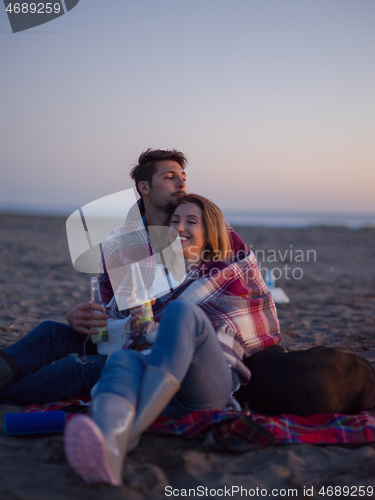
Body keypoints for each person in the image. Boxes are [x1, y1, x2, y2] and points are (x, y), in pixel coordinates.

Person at [64, 194, 282, 487]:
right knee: (123, 358)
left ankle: (131, 430)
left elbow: (247, 322)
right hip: (158, 384)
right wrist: (142, 326)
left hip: (204, 388)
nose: (179, 228)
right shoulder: (157, 274)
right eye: (174, 221)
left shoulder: (232, 271)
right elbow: (132, 323)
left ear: (211, 231)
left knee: (181, 310)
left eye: (191, 221)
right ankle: (111, 450)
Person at [0, 149, 245, 405]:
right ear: (144, 187)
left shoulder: (205, 227)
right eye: (170, 177)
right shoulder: (122, 243)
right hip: (123, 336)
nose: (181, 183)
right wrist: (82, 318)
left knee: (74, 367)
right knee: (50, 332)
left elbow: (236, 280)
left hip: (164, 347)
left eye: (183, 176)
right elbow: (116, 308)